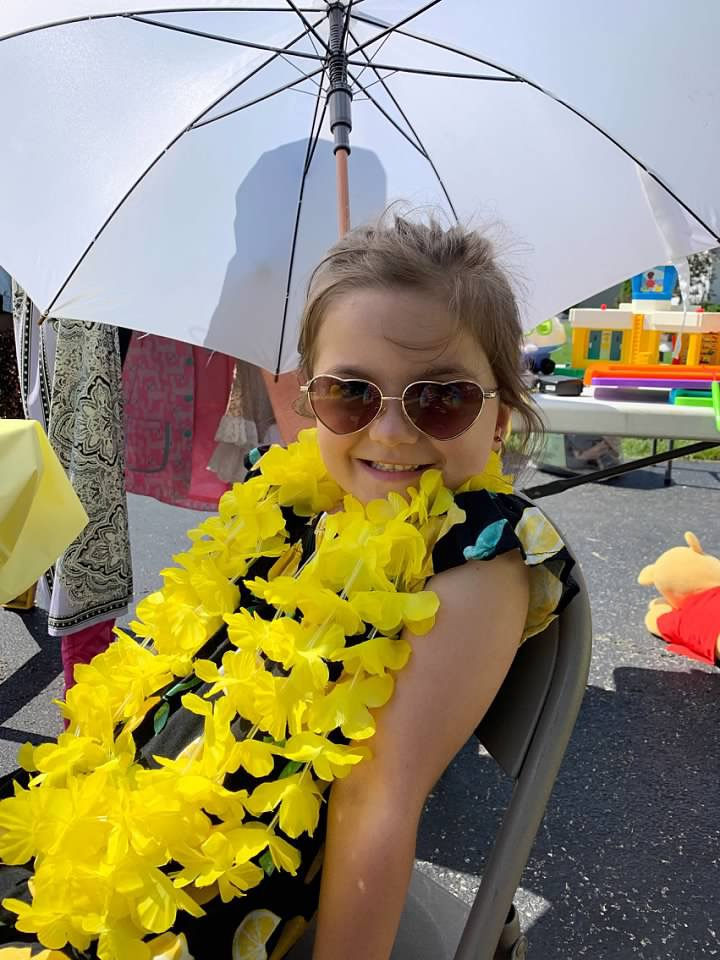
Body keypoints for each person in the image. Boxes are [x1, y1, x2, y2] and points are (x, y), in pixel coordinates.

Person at [0, 215, 577, 960]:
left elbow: (379, 802)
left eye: (441, 398)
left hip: (197, 901)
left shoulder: (478, 553)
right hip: (115, 825)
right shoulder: (300, 501)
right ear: (309, 400)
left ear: (500, 418)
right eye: (351, 392)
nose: (391, 433)